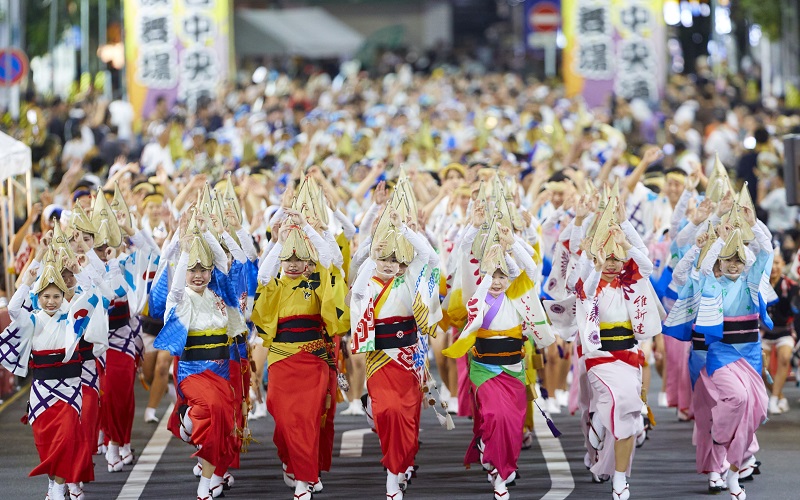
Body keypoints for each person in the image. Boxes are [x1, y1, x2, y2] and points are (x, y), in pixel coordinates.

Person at [443, 212, 554, 499]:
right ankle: (499, 476)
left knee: (513, 425)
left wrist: (511, 243)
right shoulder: (476, 295)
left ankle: (502, 462)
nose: (497, 281)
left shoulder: (519, 295)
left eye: (502, 276)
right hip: (484, 369)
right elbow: (465, 257)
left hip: (514, 368)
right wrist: (474, 228)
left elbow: (530, 269)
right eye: (492, 275)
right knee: (494, 416)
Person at [0, 248, 107, 500]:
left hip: (70, 390)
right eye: (46, 296)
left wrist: (79, 272)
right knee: (46, 443)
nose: (50, 301)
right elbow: (15, 310)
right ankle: (53, 483)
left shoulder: (72, 318)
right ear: (38, 297)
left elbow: (94, 298)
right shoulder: (33, 320)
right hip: (41, 392)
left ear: (64, 297)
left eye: (56, 296)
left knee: (67, 437)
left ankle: (59, 489)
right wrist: (26, 282)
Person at [575, 196, 662, 500]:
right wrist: (595, 264)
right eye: (606, 257)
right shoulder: (590, 282)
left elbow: (646, 261)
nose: (612, 263)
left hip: (629, 355)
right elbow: (584, 289)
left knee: (629, 416)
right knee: (619, 401)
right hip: (599, 358)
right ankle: (598, 416)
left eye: (617, 258)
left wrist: (625, 227)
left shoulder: (633, 282)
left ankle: (620, 478)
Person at [252, 208, 337, 500]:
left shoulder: (316, 285)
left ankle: (304, 480)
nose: (292, 264)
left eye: (298, 258)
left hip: (312, 362)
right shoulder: (274, 286)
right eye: (288, 259)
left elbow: (330, 261)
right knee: (283, 421)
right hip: (280, 361)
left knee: (307, 420)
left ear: (307, 262)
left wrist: (306, 229)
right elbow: (263, 275)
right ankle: (293, 464)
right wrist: (278, 241)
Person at [154, 213, 239, 500]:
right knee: (214, 408)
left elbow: (225, 265)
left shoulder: (218, 298)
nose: (198, 274)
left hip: (221, 372)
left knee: (226, 420)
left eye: (203, 269)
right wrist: (185, 249)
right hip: (192, 373)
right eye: (192, 270)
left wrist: (208, 233)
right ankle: (205, 480)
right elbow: (177, 287)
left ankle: (212, 468)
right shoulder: (178, 301)